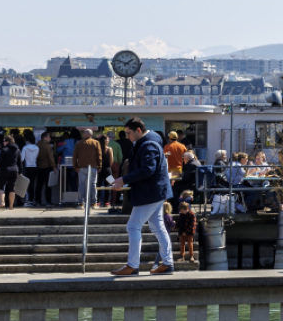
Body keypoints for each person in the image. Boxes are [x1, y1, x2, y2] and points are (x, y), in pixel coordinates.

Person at [108, 118, 175, 275]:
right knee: (158, 227)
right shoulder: (151, 141)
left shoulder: (148, 144)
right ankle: (167, 263)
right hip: (156, 191)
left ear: (138, 130)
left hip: (150, 192)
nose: (128, 136)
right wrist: (124, 183)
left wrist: (124, 179)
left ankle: (133, 265)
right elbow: (147, 170)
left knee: (133, 226)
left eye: (129, 133)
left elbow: (147, 169)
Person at [73, 127, 102, 208]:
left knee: (81, 185)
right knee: (93, 185)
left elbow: (75, 156)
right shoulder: (96, 143)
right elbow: (99, 156)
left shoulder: (79, 143)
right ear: (91, 135)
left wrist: (75, 166)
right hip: (93, 167)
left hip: (81, 167)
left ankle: (80, 203)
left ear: (85, 134)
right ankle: (93, 203)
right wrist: (100, 166)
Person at [175, 199, 197, 263]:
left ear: (187, 209)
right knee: (182, 244)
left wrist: (186, 232)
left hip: (189, 232)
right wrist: (175, 226)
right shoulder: (181, 215)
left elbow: (192, 225)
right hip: (182, 231)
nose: (182, 212)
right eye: (181, 211)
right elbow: (179, 222)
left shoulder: (192, 214)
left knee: (190, 244)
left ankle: (191, 255)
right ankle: (182, 256)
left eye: (183, 211)